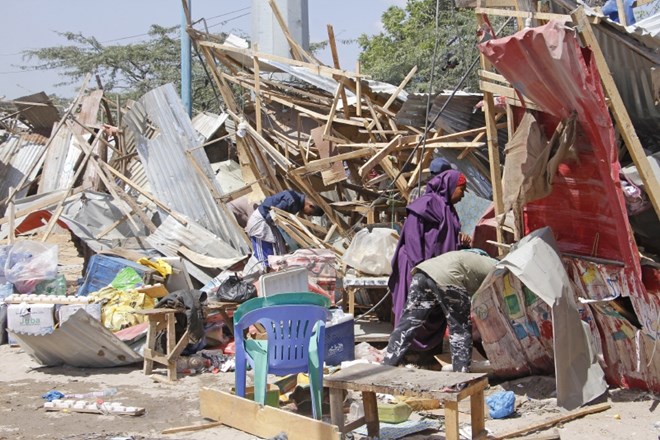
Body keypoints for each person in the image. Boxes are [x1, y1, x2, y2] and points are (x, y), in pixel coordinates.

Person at [388, 169, 471, 354]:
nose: (463, 195)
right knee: (414, 308)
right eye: (461, 189)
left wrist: (460, 241)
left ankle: (427, 354)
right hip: (415, 264)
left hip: (434, 268)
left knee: (434, 309)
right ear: (449, 186)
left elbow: (441, 239)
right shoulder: (427, 203)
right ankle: (404, 353)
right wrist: (421, 267)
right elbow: (412, 234)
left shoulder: (448, 209)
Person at [383, 250, 497, 371]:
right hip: (448, 277)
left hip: (422, 272)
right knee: (460, 329)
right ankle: (461, 378)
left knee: (408, 324)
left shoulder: (479, 260)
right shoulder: (502, 269)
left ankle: (385, 366)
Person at [244, 190, 324, 275]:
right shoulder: (292, 200)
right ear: (311, 206)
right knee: (266, 256)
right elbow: (270, 216)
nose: (308, 215)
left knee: (280, 250)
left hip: (268, 223)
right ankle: (260, 276)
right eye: (310, 213)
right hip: (261, 223)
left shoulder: (295, 200)